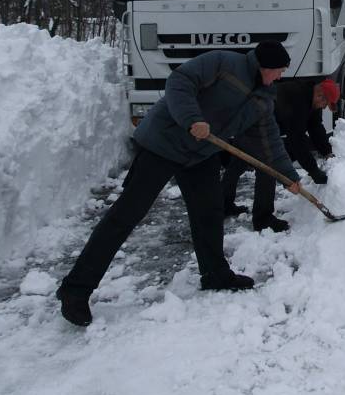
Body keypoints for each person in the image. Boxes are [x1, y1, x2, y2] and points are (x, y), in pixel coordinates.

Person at [55, 41, 301, 327]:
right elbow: (180, 82)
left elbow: (269, 142)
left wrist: (289, 177)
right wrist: (192, 118)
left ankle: (215, 274)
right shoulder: (222, 63)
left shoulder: (263, 98)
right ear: (265, 67)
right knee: (126, 215)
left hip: (200, 154)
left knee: (209, 214)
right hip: (164, 142)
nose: (280, 77)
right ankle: (75, 290)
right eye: (279, 71)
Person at [221, 79, 339, 232]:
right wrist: (313, 170)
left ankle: (223, 205)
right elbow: (297, 139)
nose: (324, 107)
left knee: (238, 164)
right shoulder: (298, 98)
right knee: (269, 166)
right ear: (320, 96)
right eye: (325, 104)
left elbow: (315, 126)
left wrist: (327, 151)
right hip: (253, 122)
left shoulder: (311, 97)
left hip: (257, 120)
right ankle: (263, 219)